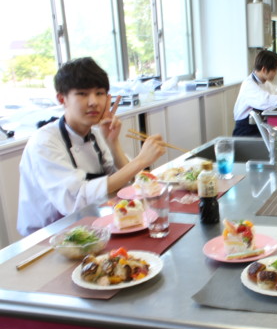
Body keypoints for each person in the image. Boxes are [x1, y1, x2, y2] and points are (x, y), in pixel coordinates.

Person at [17, 57, 166, 236]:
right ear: (62, 98)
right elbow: (75, 200)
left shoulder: (95, 134)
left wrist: (113, 143)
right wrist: (140, 161)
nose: (93, 102)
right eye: (82, 94)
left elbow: (126, 183)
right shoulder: (44, 142)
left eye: (99, 93)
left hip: (91, 225)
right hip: (50, 236)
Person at [232, 50, 277, 136]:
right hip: (246, 131)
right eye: (275, 70)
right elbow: (266, 101)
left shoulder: (265, 83)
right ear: (264, 69)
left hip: (258, 127)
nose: (276, 73)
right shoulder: (249, 84)